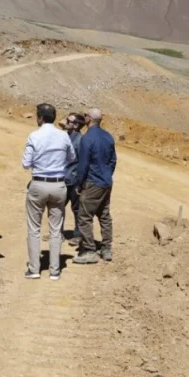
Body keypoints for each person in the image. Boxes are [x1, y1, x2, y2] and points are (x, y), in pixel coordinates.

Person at [22, 103, 76, 281]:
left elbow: (26, 163)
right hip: (59, 185)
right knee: (55, 230)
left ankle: (34, 268)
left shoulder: (34, 136)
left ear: (40, 118)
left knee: (34, 229)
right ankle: (55, 270)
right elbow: (72, 157)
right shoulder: (63, 136)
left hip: (38, 183)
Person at [73, 108, 117, 264]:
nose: (84, 117)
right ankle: (106, 249)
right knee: (104, 215)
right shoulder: (108, 137)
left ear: (89, 119)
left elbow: (83, 164)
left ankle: (90, 250)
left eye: (85, 115)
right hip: (106, 182)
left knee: (84, 217)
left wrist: (79, 183)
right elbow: (113, 161)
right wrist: (106, 174)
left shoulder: (87, 138)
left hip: (92, 182)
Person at [62, 113, 86, 245]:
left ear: (76, 125)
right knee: (58, 207)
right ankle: (57, 233)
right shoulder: (65, 136)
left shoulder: (80, 140)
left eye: (68, 121)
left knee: (76, 209)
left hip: (73, 179)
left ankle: (78, 235)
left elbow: (82, 161)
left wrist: (80, 182)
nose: (65, 122)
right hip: (62, 178)